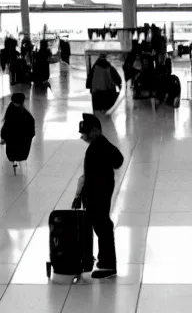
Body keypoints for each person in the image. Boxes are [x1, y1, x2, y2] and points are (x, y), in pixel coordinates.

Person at [72, 113, 124, 279]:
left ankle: (108, 265)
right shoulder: (100, 144)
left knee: (102, 226)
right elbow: (117, 161)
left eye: (85, 133)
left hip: (98, 193)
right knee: (102, 226)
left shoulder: (99, 145)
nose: (83, 137)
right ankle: (104, 261)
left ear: (95, 131)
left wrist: (83, 194)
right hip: (100, 192)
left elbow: (117, 161)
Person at [0, 93, 35, 168]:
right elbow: (7, 125)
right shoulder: (24, 114)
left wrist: (3, 137)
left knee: (14, 154)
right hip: (17, 139)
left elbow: (6, 125)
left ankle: (14, 162)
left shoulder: (12, 111)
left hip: (14, 139)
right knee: (17, 154)